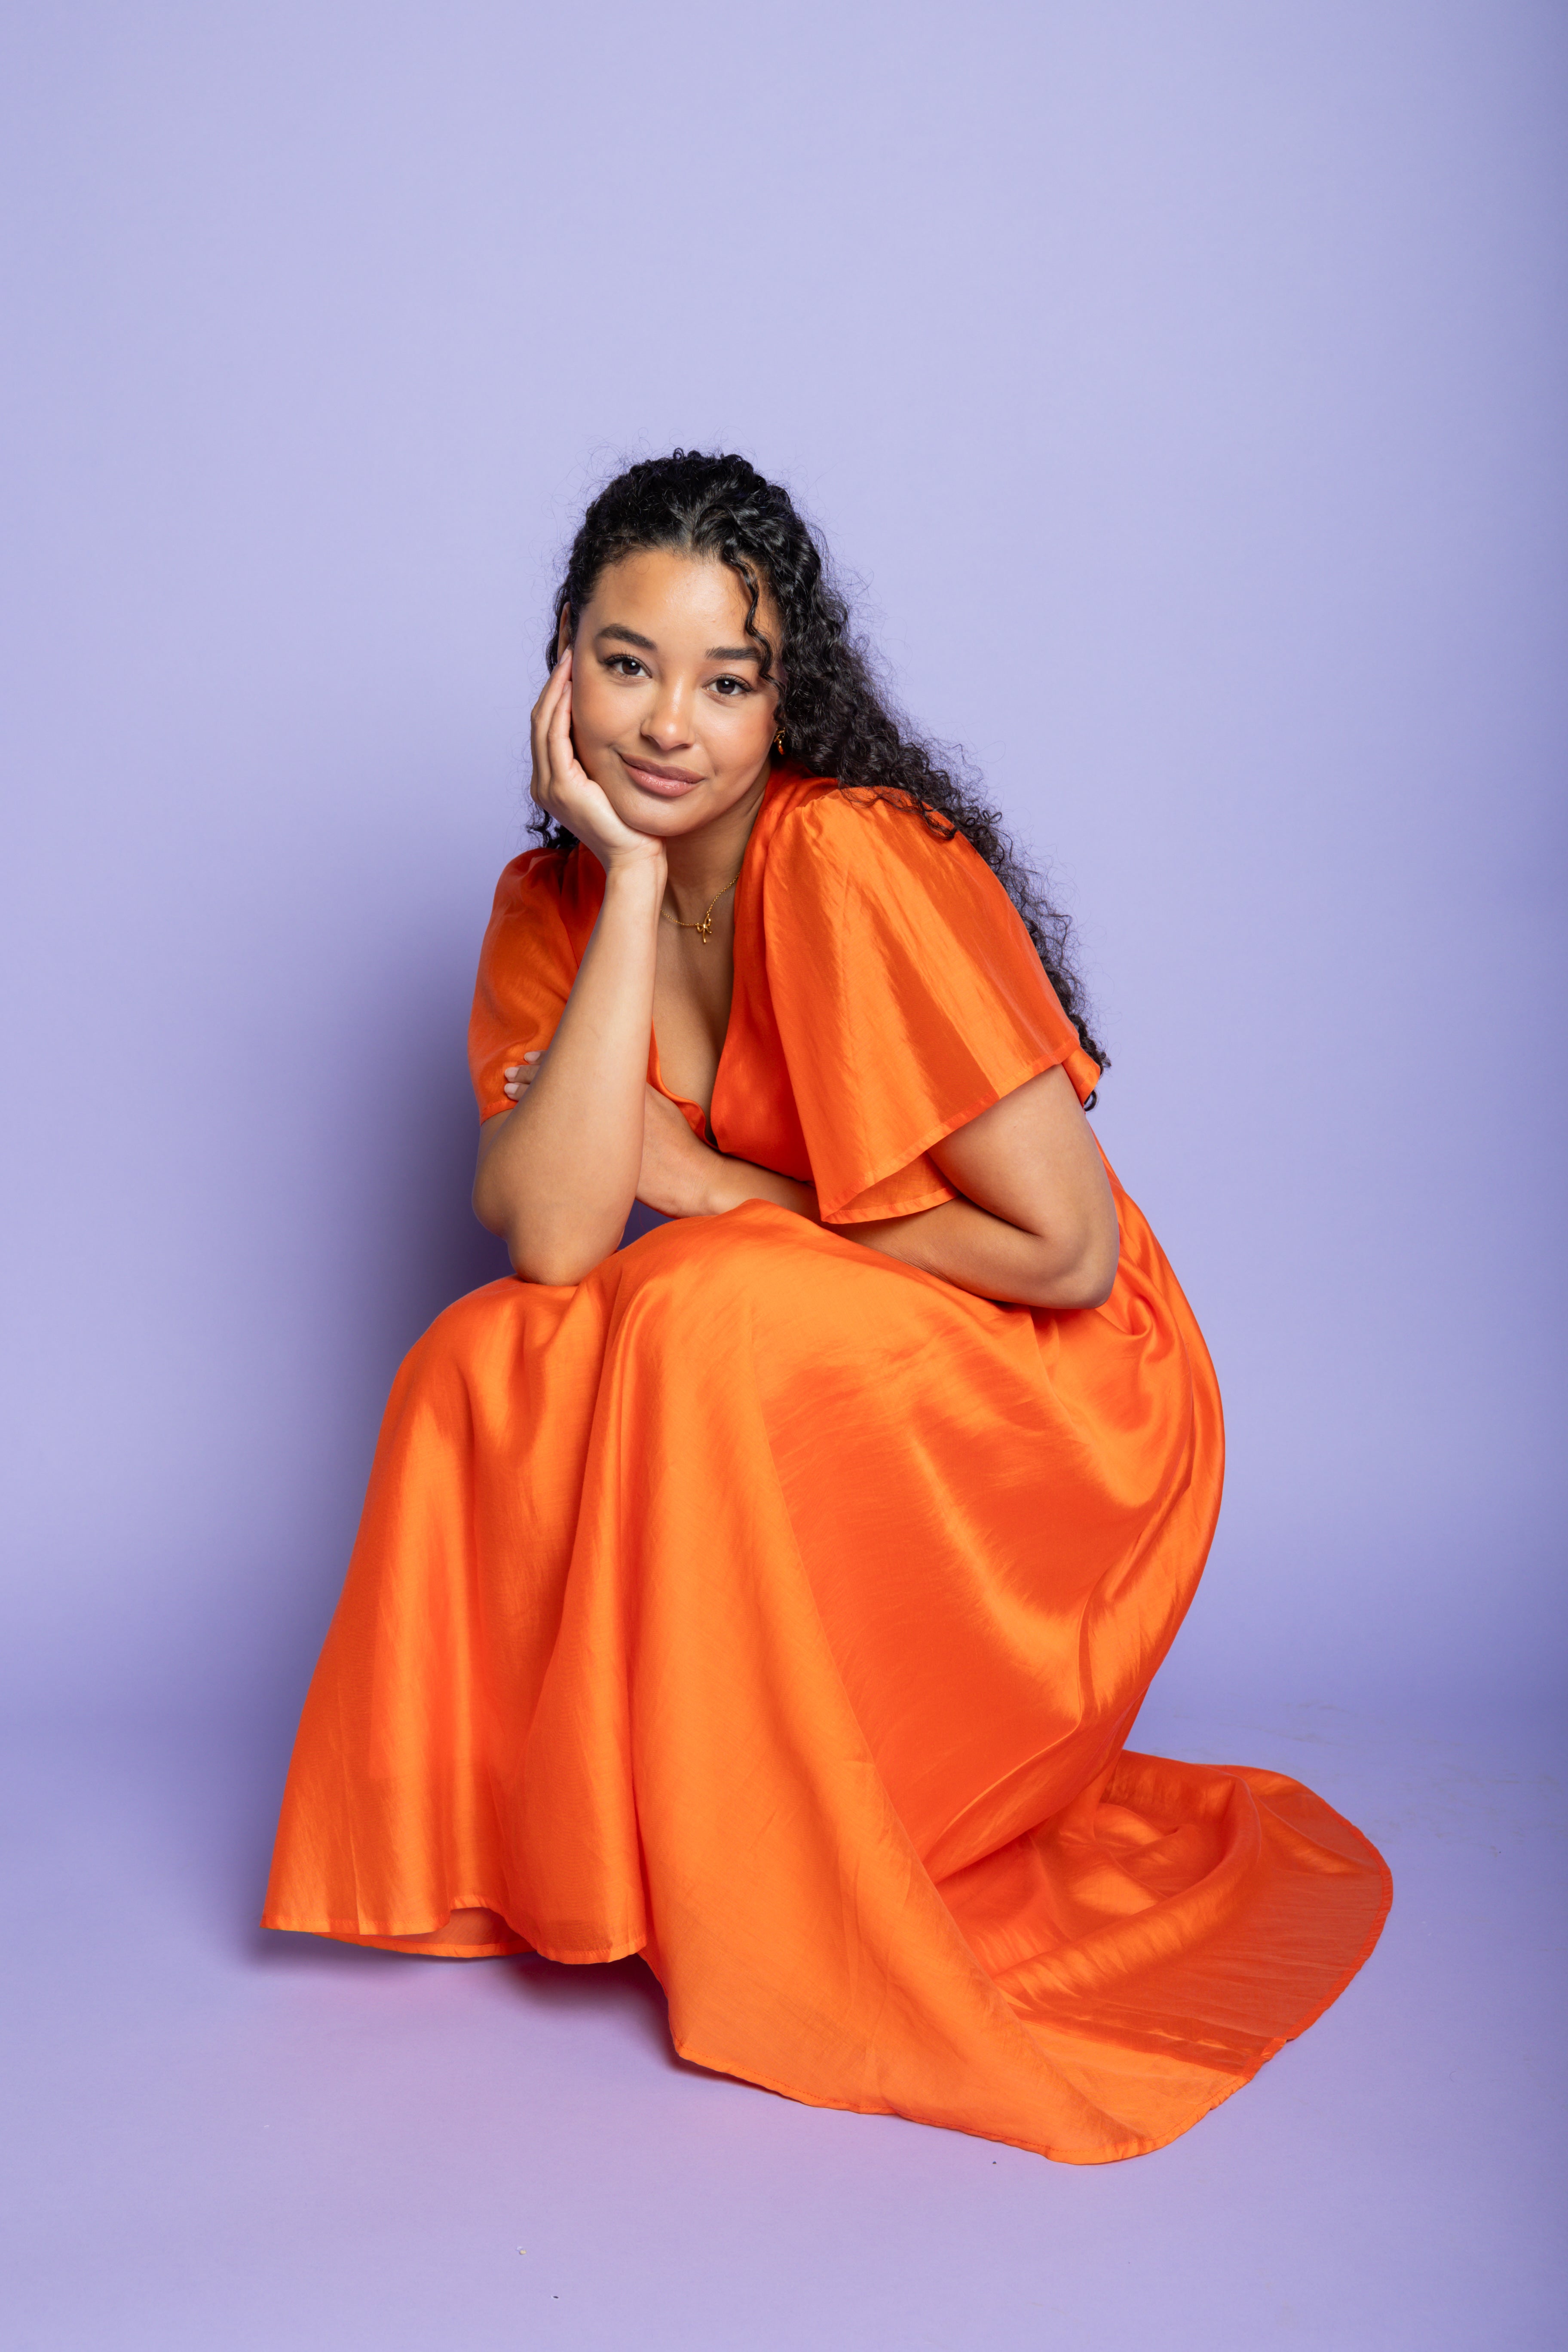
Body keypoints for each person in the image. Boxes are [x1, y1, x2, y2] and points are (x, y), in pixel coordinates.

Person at [263, 451, 1390, 2164]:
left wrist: (728, 1194)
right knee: (477, 1360)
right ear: (561, 664)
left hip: (1068, 1388)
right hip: (843, 1331)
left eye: (729, 683)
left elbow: (1066, 1256)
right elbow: (554, 1245)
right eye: (629, 664)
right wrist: (628, 884)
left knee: (703, 1306)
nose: (670, 725)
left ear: (787, 702)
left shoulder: (853, 857)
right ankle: (535, 1856)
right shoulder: (548, 908)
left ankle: (770, 1869)